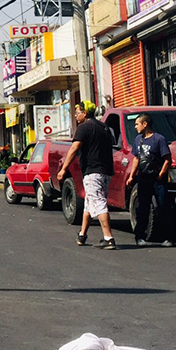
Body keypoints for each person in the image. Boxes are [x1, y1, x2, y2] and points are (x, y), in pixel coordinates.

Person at [55, 100, 117, 249]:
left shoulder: (84, 128)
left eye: (77, 113)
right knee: (89, 203)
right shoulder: (105, 127)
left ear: (85, 113)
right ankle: (82, 234)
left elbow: (74, 148)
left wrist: (64, 169)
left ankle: (108, 238)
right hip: (106, 171)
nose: (76, 116)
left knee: (99, 202)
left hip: (92, 171)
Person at [125, 114, 173, 248]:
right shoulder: (138, 140)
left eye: (137, 124)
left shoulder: (159, 139)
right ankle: (140, 236)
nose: (135, 127)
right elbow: (136, 159)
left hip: (157, 180)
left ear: (145, 124)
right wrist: (131, 176)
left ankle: (168, 237)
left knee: (162, 206)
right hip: (143, 179)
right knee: (142, 208)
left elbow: (168, 159)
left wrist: (161, 174)